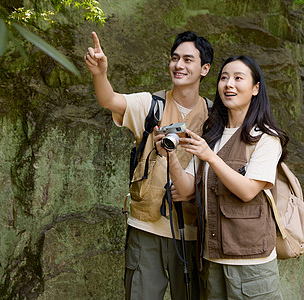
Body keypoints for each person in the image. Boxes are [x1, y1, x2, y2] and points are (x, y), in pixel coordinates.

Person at [84, 31, 214, 300]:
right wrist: (100, 74)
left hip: (192, 232)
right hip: (146, 227)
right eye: (175, 58)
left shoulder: (216, 117)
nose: (179, 65)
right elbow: (109, 100)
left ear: (205, 68)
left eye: (188, 60)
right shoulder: (151, 104)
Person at [157, 55, 288, 299]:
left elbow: (248, 190)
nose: (229, 84)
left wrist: (211, 157)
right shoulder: (212, 135)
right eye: (224, 78)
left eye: (239, 78)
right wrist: (170, 155)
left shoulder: (265, 138)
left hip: (251, 264)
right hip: (212, 258)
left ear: (255, 88)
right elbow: (185, 189)